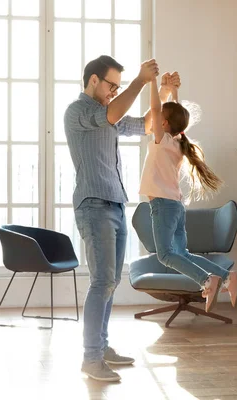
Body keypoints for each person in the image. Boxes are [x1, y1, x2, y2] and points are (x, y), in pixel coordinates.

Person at [64, 55, 171, 382]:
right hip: (93, 204)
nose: (114, 91)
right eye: (112, 85)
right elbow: (111, 112)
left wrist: (162, 91)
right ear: (93, 80)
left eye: (118, 86)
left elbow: (147, 125)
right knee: (102, 282)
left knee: (110, 282)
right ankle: (91, 359)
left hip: (114, 203)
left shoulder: (109, 115)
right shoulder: (78, 111)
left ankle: (102, 347)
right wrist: (140, 80)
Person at [138, 72, 237, 313]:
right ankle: (226, 277)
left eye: (159, 118)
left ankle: (207, 281)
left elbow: (155, 108)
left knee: (165, 255)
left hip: (163, 206)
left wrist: (152, 81)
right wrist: (173, 91)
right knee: (181, 253)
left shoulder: (162, 141)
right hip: (175, 206)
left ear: (163, 124)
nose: (155, 118)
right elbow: (175, 114)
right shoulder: (178, 142)